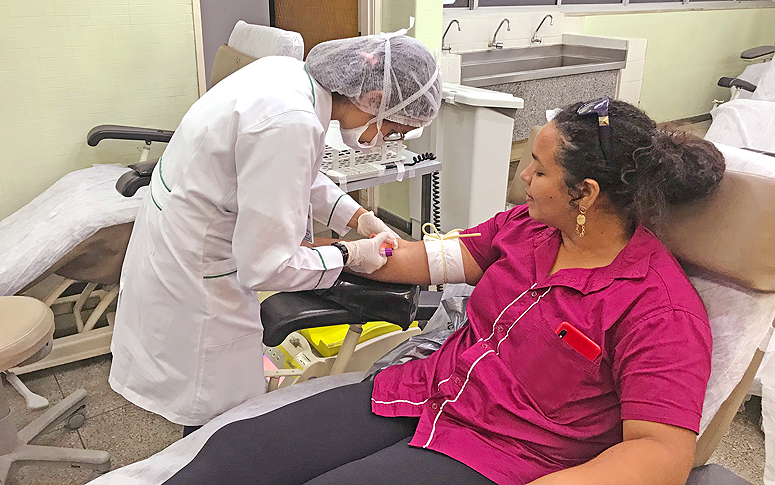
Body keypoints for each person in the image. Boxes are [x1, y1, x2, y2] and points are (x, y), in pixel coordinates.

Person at [161, 99, 726, 485]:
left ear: (585, 192)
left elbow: (661, 454)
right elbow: (420, 259)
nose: (523, 177)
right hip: (425, 391)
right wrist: (346, 248)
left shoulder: (657, 307)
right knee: (234, 458)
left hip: (507, 451)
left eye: (538, 168)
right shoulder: (526, 230)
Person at [109, 34, 442, 432]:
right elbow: (267, 266)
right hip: (197, 277)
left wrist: (358, 218)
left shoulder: (287, 76)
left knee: (216, 404)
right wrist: (349, 255)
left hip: (176, 241)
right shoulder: (290, 121)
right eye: (394, 128)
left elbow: (296, 175)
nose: (387, 140)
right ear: (372, 97)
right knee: (218, 417)